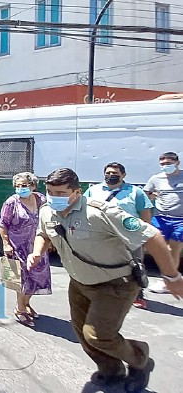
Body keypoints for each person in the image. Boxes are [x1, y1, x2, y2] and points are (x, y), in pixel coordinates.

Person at [29, 168, 183, 392]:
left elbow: (152, 235)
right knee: (83, 333)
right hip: (79, 283)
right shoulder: (47, 211)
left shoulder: (101, 212)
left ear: (77, 192)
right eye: (51, 192)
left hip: (115, 284)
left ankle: (140, 359)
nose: (54, 197)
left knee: (98, 335)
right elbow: (43, 234)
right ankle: (111, 371)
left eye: (61, 193)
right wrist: (36, 252)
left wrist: (171, 276)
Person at [85, 162, 153, 309]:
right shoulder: (93, 190)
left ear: (123, 175)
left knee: (135, 265)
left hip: (129, 236)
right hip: (101, 236)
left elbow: (146, 215)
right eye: (108, 173)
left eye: (115, 174)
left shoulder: (136, 192)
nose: (111, 176)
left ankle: (137, 295)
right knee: (100, 265)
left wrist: (144, 235)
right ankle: (101, 293)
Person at [0, 172, 52, 328]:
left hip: (37, 246)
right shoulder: (11, 203)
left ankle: (26, 304)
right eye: (17, 186)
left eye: (24, 185)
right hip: (18, 247)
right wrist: (6, 244)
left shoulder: (41, 199)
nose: (20, 188)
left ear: (33, 186)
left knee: (36, 278)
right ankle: (20, 308)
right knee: (22, 280)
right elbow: (3, 225)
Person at [144, 152, 183, 294]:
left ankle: (169, 281)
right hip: (161, 218)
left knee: (174, 249)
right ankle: (168, 276)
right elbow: (145, 193)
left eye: (168, 163)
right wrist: (152, 196)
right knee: (160, 249)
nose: (165, 166)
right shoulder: (156, 179)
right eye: (163, 164)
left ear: (177, 163)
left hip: (180, 220)